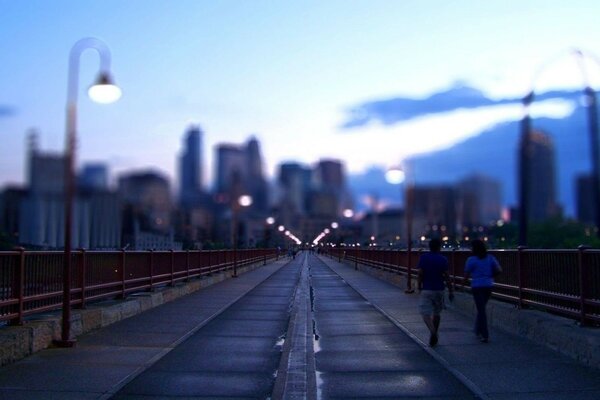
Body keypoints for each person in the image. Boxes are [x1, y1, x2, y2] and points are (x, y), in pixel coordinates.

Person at [417, 238, 454, 347]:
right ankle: (435, 333)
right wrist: (451, 290)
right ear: (439, 247)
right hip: (439, 289)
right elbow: (447, 277)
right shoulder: (443, 259)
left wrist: (419, 286)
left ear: (429, 246)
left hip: (427, 289)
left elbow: (420, 273)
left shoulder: (424, 258)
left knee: (425, 313)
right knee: (437, 313)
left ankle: (433, 332)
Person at [464, 239, 502, 343]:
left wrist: (462, 285)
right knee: (481, 308)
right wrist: (490, 277)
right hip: (488, 286)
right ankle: (477, 329)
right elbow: (499, 270)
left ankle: (485, 334)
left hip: (476, 286)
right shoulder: (490, 258)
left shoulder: (471, 260)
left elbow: (466, 274)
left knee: (481, 310)